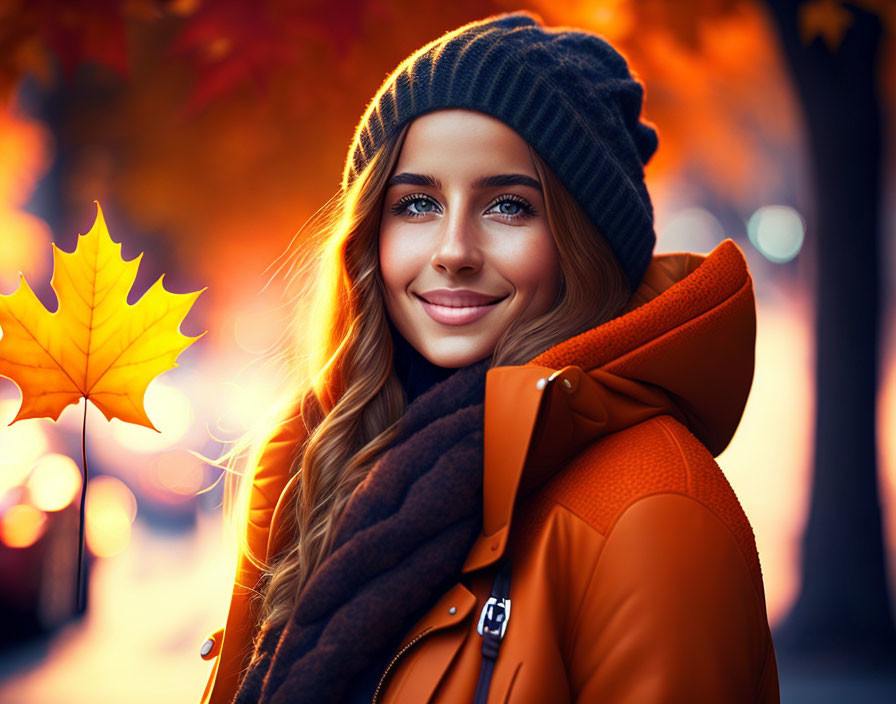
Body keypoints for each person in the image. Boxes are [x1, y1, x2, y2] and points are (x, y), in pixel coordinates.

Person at [198, 10, 780, 704]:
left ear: (583, 245)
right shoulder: (312, 464)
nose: (452, 251)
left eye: (507, 205)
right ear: (369, 233)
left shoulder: (650, 513)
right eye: (415, 204)